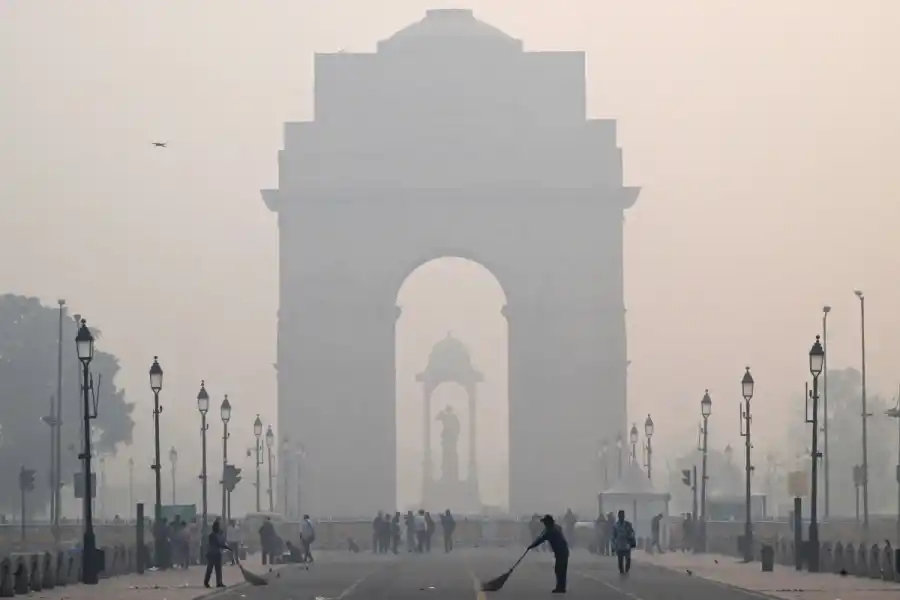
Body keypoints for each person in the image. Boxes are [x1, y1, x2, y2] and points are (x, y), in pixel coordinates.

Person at [527, 515, 569, 594]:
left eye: (545, 522)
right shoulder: (554, 528)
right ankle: (561, 587)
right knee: (560, 569)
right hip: (562, 551)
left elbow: (541, 539)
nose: (544, 524)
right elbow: (558, 528)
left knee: (560, 569)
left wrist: (531, 546)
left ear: (548, 522)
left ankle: (561, 587)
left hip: (561, 551)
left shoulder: (550, 531)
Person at [204, 519, 229, 588]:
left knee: (217, 569)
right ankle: (207, 582)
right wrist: (227, 547)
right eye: (218, 527)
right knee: (211, 569)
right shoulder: (213, 535)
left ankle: (218, 582)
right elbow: (219, 544)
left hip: (215, 553)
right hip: (213, 554)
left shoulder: (214, 535)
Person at [611, 510, 636, 574]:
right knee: (620, 561)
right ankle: (621, 571)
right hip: (619, 545)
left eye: (622, 515)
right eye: (620, 515)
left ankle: (627, 569)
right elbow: (613, 536)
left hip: (627, 544)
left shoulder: (628, 524)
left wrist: (631, 539)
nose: (621, 517)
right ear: (618, 516)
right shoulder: (616, 526)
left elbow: (632, 533)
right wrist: (613, 546)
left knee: (628, 560)